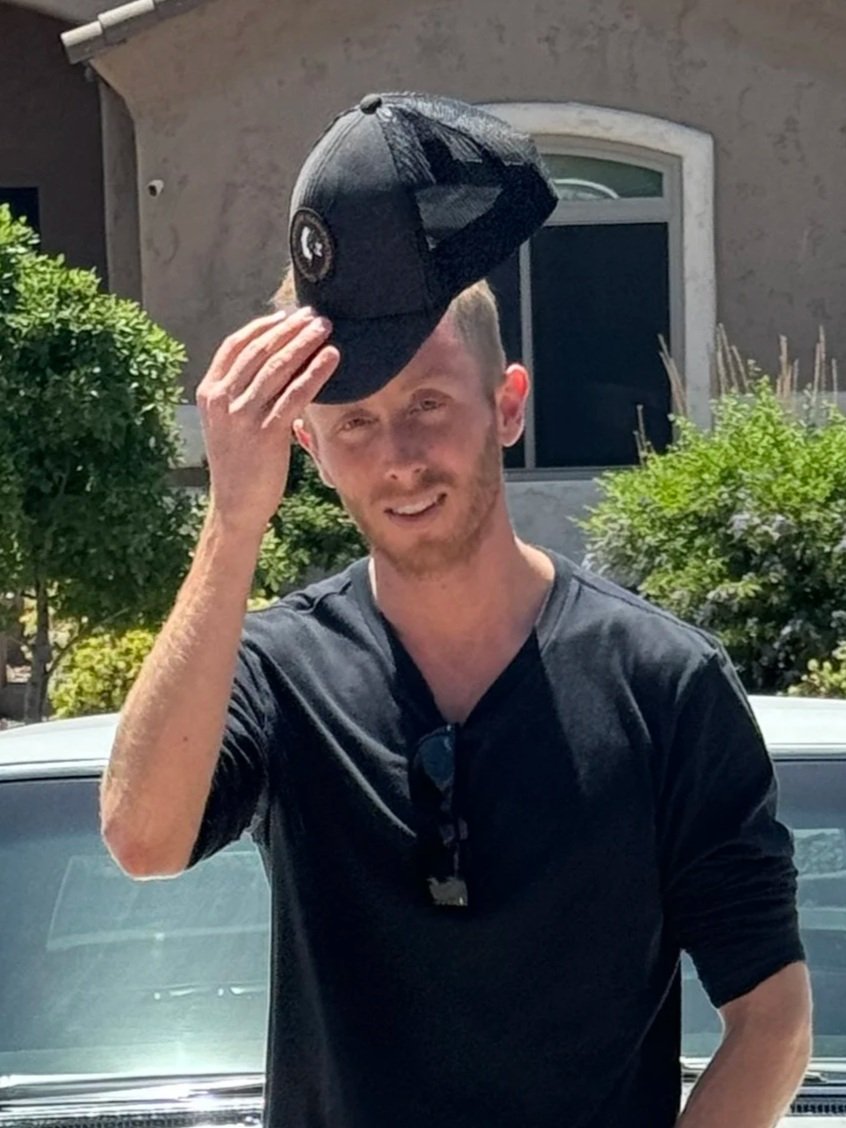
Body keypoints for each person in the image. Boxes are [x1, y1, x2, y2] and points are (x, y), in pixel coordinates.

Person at [104, 94, 811, 1128]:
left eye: (428, 404)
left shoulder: (664, 684)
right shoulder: (275, 673)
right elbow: (143, 839)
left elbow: (773, 1020)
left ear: (507, 405)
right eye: (354, 423)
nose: (398, 458)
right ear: (308, 446)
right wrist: (232, 520)